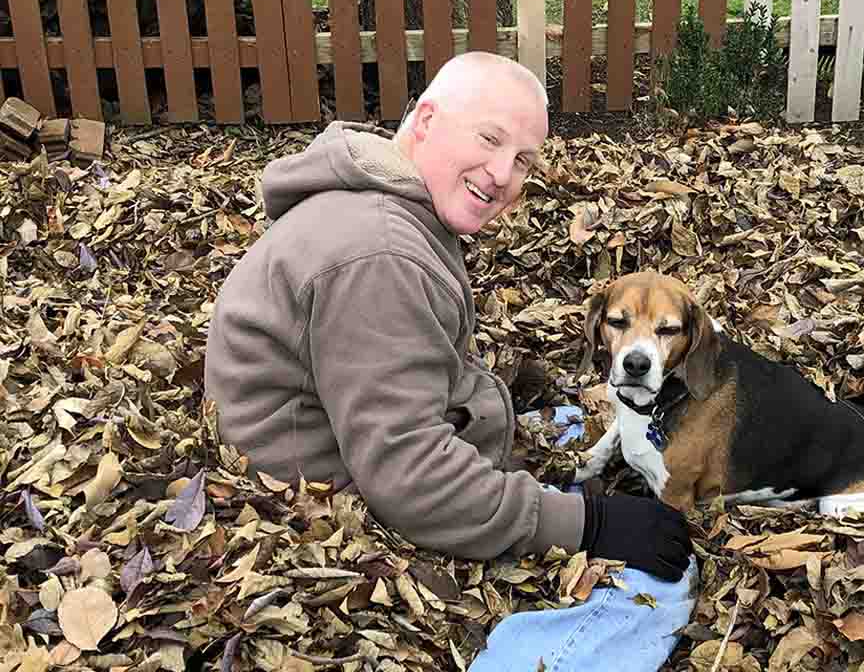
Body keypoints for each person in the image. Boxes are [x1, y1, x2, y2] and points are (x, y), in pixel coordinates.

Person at [203, 51, 697, 671]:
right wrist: (586, 523)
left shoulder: (383, 206)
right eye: (489, 139)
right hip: (322, 510)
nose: (501, 174)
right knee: (659, 584)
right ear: (428, 118)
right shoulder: (380, 256)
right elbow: (411, 477)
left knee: (575, 430)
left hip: (330, 450)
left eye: (523, 160)